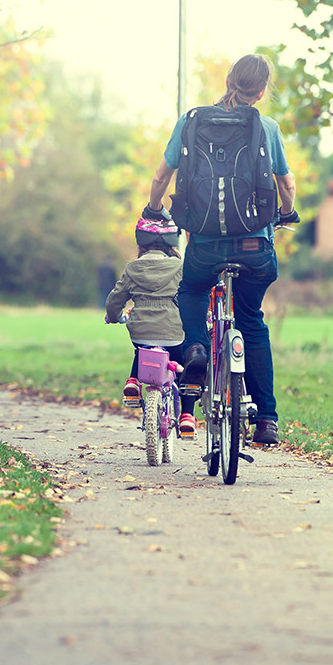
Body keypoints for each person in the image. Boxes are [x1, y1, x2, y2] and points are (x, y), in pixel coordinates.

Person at [144, 53, 297, 445]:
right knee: (251, 320)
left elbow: (163, 174)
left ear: (229, 81)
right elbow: (287, 185)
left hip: (206, 244)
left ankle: (196, 347)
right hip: (254, 246)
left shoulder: (191, 121)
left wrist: (155, 209)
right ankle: (266, 419)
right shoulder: (267, 127)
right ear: (262, 91)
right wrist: (286, 213)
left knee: (191, 292)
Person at [105, 217, 196, 435]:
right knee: (183, 367)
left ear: (142, 244)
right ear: (170, 244)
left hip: (141, 331)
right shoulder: (180, 267)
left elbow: (115, 300)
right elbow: (192, 296)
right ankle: (187, 416)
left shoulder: (133, 268)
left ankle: (135, 382)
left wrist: (115, 316)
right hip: (175, 331)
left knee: (142, 350)